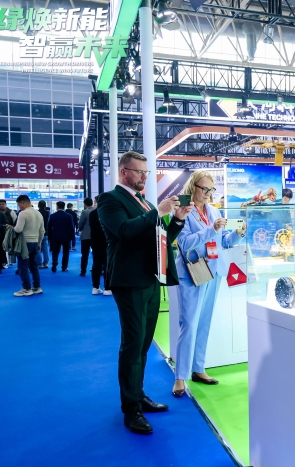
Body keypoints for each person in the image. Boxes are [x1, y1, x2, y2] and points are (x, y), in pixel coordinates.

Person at [98, 151, 192, 435]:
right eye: (139, 172)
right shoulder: (110, 200)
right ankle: (131, 408)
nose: (144, 177)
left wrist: (176, 220)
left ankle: (137, 395)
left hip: (150, 279)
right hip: (129, 281)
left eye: (146, 172)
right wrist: (158, 212)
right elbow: (124, 231)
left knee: (143, 343)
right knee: (132, 344)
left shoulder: (146, 203)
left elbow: (160, 239)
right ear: (124, 172)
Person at [172, 171, 246, 398]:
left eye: (211, 189)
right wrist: (211, 229)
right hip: (192, 272)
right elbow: (185, 243)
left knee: (204, 322)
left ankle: (198, 368)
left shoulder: (214, 211)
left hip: (213, 271)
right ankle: (180, 376)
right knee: (189, 324)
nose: (208, 193)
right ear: (192, 187)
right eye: (204, 189)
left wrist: (238, 234)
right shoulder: (183, 210)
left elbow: (223, 242)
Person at [13, 195, 45, 296]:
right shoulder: (38, 214)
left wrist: (10, 228)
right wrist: (39, 243)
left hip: (24, 243)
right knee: (34, 266)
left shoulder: (23, 213)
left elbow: (18, 229)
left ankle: (26, 288)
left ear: (22, 203)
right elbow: (42, 231)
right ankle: (37, 287)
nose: (19, 207)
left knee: (23, 266)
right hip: (35, 242)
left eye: (19, 205)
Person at [89, 196, 111, 296]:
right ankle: (107, 288)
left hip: (95, 242)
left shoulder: (92, 213)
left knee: (96, 265)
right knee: (107, 265)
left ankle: (95, 287)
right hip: (107, 242)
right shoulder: (108, 212)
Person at [48, 201, 75, 273]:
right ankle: (64, 267)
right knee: (66, 252)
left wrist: (50, 237)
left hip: (55, 236)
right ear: (64, 207)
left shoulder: (52, 216)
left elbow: (49, 227)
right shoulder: (69, 216)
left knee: (55, 251)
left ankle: (54, 262)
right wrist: (73, 238)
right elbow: (71, 228)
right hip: (66, 237)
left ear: (57, 207)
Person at [0, 200, 16, 269]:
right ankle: (4, 262)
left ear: (6, 204)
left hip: (10, 232)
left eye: (3, 204)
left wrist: (12, 227)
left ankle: (12, 261)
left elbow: (15, 221)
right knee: (2, 248)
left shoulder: (11, 212)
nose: (1, 205)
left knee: (11, 247)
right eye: (0, 204)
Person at [78, 198, 94, 276]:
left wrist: (80, 229)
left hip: (86, 236)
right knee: (96, 254)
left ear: (85, 204)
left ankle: (83, 271)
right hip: (95, 236)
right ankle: (95, 269)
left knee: (84, 255)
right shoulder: (96, 211)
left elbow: (81, 223)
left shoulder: (85, 212)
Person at [36, 200, 50, 269]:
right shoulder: (47, 213)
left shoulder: (37, 213)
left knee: (38, 248)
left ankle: (40, 263)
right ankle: (46, 263)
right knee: (45, 249)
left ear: (38, 205)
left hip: (38, 232)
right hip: (46, 232)